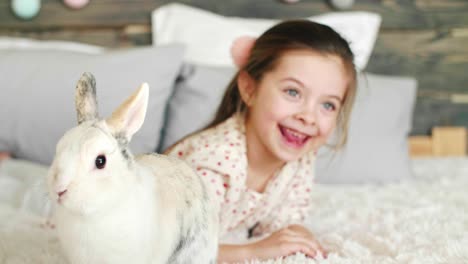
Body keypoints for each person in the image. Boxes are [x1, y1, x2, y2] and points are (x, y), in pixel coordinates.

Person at [164, 19, 357, 262]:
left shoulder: (299, 159)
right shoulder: (212, 166)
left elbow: (285, 220)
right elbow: (164, 250)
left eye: (328, 105)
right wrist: (251, 252)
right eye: (292, 92)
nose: (308, 117)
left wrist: (295, 233)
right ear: (249, 89)